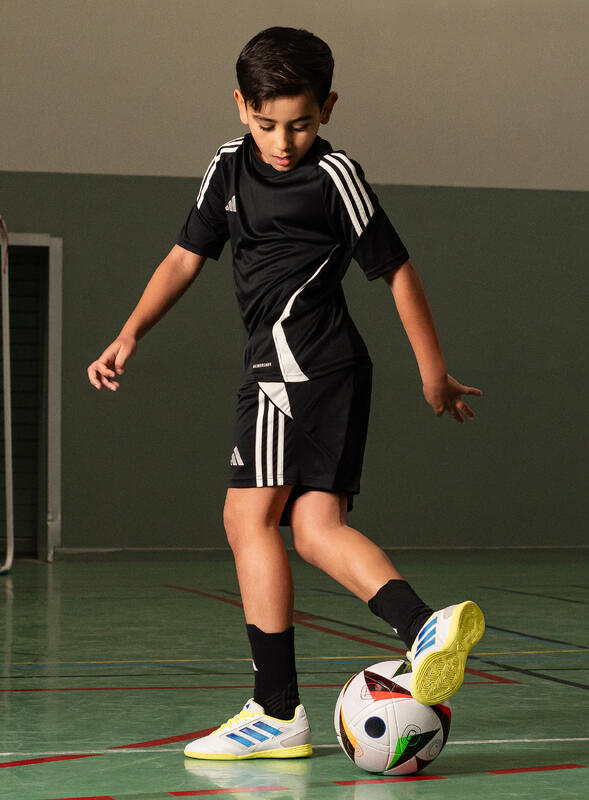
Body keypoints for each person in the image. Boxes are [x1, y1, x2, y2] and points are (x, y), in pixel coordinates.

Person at [88, 26, 485, 761]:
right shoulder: (227, 170)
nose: (283, 140)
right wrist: (131, 331)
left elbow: (396, 269)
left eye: (300, 123)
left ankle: (275, 711)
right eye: (268, 122)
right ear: (241, 106)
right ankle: (421, 625)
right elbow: (185, 256)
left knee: (246, 517)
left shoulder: (335, 177)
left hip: (296, 365)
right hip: (314, 369)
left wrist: (431, 369)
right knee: (311, 528)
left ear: (328, 108)